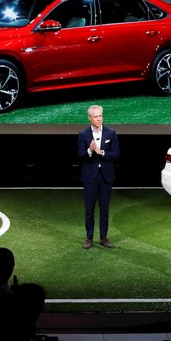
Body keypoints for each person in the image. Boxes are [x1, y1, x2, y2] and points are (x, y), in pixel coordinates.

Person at [77, 104, 120, 249]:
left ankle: (103, 237)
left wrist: (102, 152)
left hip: (106, 177)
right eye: (96, 116)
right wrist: (90, 150)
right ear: (90, 118)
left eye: (100, 116)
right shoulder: (83, 134)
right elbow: (80, 155)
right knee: (89, 209)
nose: (99, 119)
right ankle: (89, 238)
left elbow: (116, 153)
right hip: (90, 177)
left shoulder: (111, 133)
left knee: (105, 209)